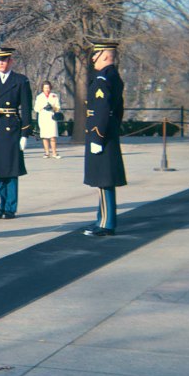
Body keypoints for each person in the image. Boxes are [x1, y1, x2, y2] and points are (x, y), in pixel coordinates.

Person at [0, 47, 33, 219]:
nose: (1, 63)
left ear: (11, 61)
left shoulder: (20, 80)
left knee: (11, 169)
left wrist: (25, 133)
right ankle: (1, 205)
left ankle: (10, 207)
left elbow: (26, 108)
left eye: (4, 59)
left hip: (12, 127)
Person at [83, 40, 127, 237]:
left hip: (101, 135)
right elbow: (118, 111)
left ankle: (107, 224)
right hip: (108, 132)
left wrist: (97, 137)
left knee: (104, 181)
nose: (93, 58)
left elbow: (102, 110)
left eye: (96, 54)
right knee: (103, 182)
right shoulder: (113, 76)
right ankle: (102, 219)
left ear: (106, 56)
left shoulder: (102, 78)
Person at [34, 81, 62, 159]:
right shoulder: (39, 97)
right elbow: (36, 108)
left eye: (48, 88)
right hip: (43, 117)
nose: (47, 89)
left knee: (53, 136)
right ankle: (46, 152)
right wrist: (43, 107)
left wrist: (53, 107)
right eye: (45, 88)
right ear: (42, 88)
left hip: (51, 117)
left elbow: (58, 107)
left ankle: (54, 152)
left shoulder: (54, 96)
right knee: (45, 136)